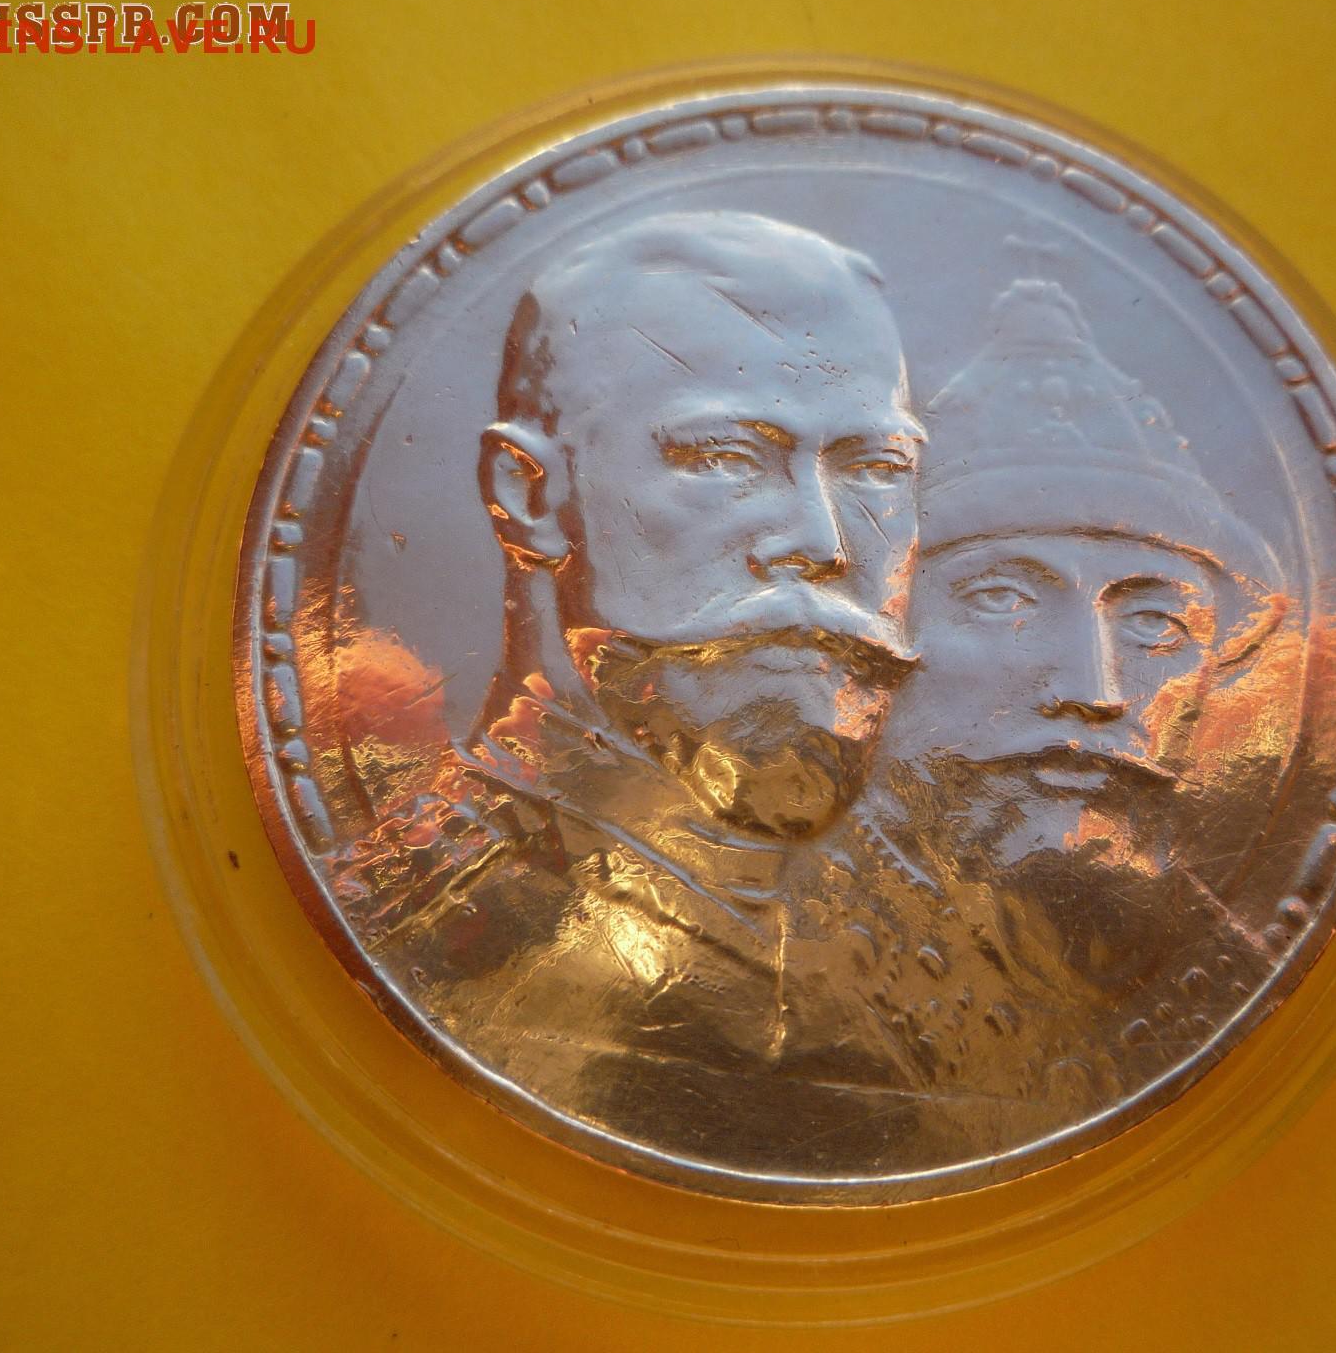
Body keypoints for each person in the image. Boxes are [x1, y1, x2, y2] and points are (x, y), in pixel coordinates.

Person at [330, 210, 950, 1166]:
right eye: (727, 459)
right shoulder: (427, 928)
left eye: (875, 469)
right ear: (530, 494)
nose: (822, 544)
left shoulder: (932, 943)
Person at [857, 276, 1290, 1106]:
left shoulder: (1242, 965)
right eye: (1003, 599)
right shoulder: (759, 962)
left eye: (1156, 624)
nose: (1095, 690)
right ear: (885, 633)